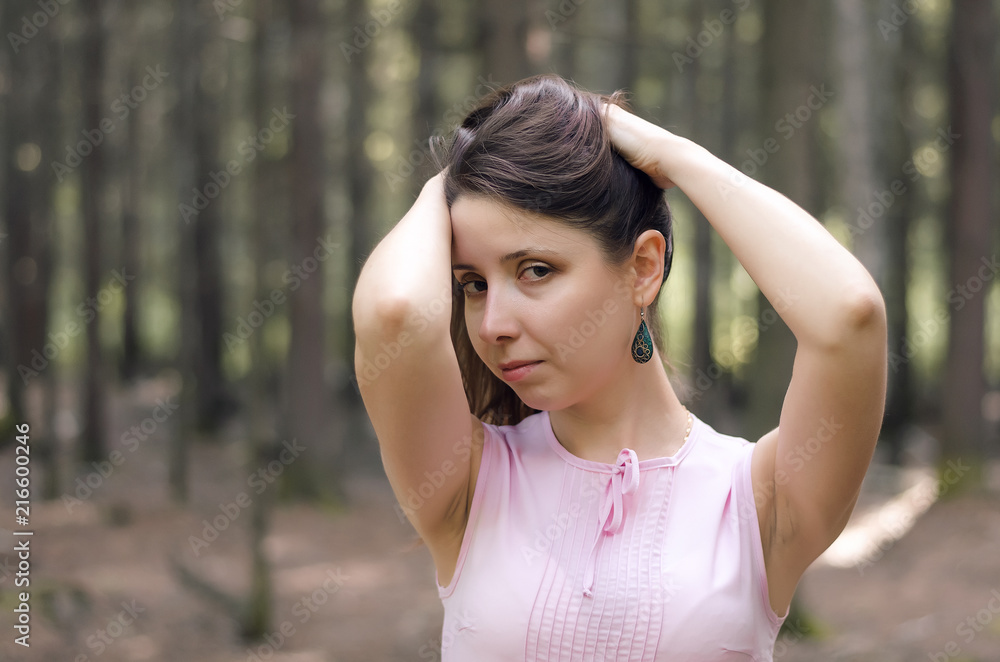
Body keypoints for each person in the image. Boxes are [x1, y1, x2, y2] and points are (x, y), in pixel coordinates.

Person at [351, 74, 887, 660]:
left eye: (535, 270)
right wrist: (457, 171)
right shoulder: (468, 484)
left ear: (643, 268)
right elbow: (394, 313)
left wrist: (676, 158)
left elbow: (848, 316)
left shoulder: (759, 499)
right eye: (473, 284)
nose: (491, 324)